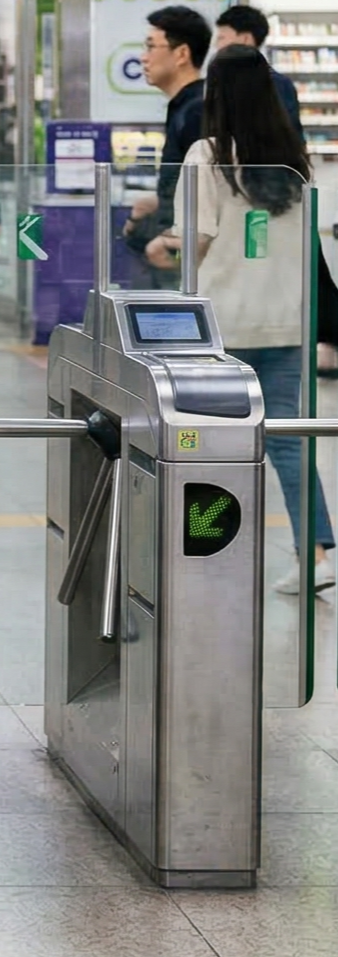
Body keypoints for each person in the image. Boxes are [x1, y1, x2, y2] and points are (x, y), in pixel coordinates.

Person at [153, 44, 334, 594]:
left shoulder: (207, 156)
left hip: (221, 325)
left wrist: (161, 247)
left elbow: (196, 241)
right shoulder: (295, 163)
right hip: (285, 321)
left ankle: (209, 547)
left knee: (206, 441)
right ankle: (317, 555)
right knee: (285, 436)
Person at [125, 6, 210, 285]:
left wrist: (171, 242)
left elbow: (207, 193)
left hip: (188, 260)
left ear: (182, 54)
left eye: (151, 47)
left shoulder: (197, 111)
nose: (143, 57)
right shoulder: (184, 106)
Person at [215, 5, 302, 139]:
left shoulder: (276, 85)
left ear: (245, 39)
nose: (217, 45)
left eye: (222, 38)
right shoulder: (282, 83)